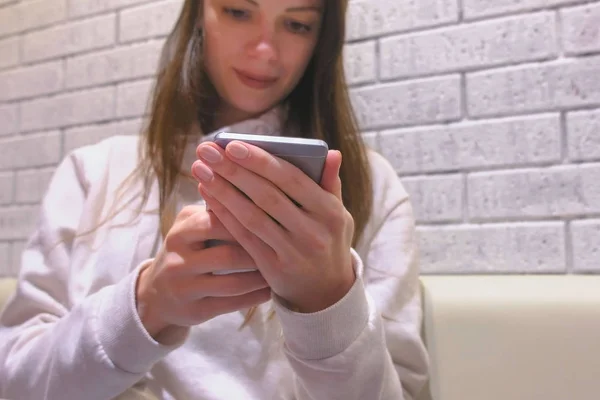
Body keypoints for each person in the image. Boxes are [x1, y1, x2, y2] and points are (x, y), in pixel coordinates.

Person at [0, 0, 429, 399]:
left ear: (322, 38)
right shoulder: (93, 173)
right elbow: (15, 377)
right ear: (198, 13)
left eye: (297, 24)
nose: (266, 50)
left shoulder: (367, 186)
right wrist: (146, 304)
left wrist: (329, 306)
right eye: (239, 11)